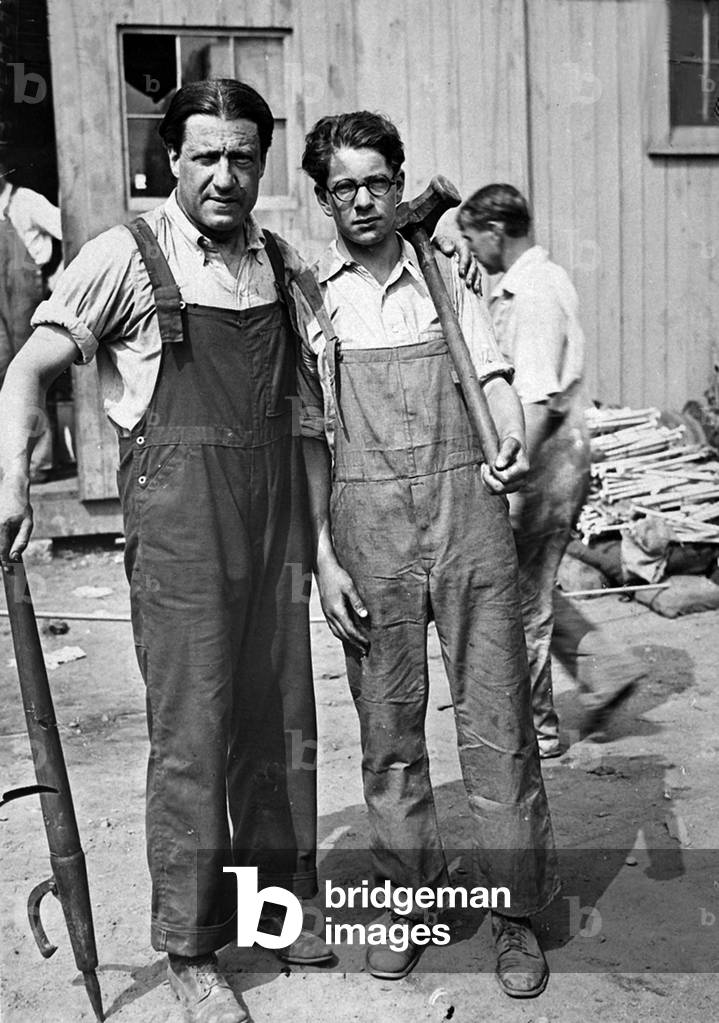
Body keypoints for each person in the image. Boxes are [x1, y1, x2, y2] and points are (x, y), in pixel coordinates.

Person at [0, 80, 334, 1023]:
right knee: (194, 730)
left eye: (241, 157)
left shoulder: (278, 257)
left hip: (273, 525)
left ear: (260, 162)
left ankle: (269, 911)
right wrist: (12, 479)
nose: (224, 175)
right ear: (171, 160)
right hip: (182, 524)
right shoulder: (126, 256)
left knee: (278, 718)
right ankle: (190, 946)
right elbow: (28, 368)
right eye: (204, 157)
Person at [298, 112, 559, 999]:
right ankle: (405, 901)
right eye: (343, 186)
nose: (363, 199)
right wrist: (322, 557)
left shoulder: (445, 271)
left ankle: (515, 915)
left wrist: (510, 426)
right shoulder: (313, 293)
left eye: (377, 180)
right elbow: (307, 438)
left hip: (466, 513)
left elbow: (488, 372)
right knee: (389, 729)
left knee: (496, 718)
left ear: (399, 181)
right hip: (367, 524)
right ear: (323, 196)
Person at [457, 184, 640, 756]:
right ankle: (605, 670)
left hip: (545, 453)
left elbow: (534, 400)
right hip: (553, 448)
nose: (471, 250)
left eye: (471, 237)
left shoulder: (532, 293)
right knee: (529, 585)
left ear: (495, 232)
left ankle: (538, 729)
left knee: (521, 598)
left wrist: (513, 480)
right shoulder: (531, 282)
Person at [0, 149, 62, 481]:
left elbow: (73, 228)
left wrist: (58, 277)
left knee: (29, 375)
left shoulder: (25, 202)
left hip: (24, 298)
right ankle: (8, 468)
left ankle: (38, 462)